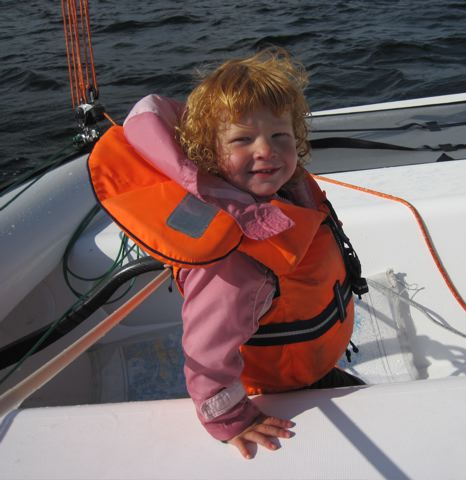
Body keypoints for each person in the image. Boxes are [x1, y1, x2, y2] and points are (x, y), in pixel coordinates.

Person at [88, 48, 367, 459]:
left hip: (307, 364)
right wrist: (231, 418)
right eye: (242, 139)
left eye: (280, 136)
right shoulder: (237, 258)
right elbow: (207, 350)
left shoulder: (283, 192)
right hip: (277, 387)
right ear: (208, 152)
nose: (266, 150)